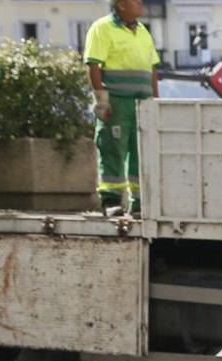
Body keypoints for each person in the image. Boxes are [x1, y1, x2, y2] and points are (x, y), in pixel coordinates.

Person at [84, 0, 159, 218]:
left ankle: (139, 203)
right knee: (113, 149)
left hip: (142, 103)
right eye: (136, 1)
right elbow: (93, 65)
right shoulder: (102, 28)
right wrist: (101, 99)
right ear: (122, 5)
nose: (141, 4)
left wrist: (155, 101)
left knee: (141, 151)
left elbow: (152, 68)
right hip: (117, 102)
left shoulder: (143, 30)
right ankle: (111, 201)